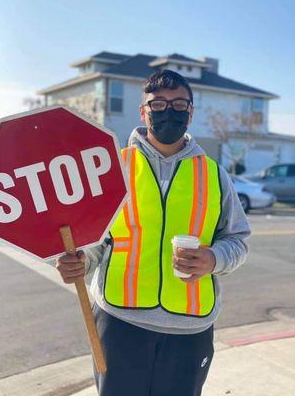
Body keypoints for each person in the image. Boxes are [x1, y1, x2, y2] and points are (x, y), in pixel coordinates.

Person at [56, 69, 251, 396]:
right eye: (157, 104)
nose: (168, 111)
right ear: (143, 111)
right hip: (119, 324)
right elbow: (96, 241)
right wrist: (82, 262)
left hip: (190, 331)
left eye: (178, 104)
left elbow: (238, 241)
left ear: (190, 112)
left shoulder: (214, 175)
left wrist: (213, 258)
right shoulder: (113, 167)